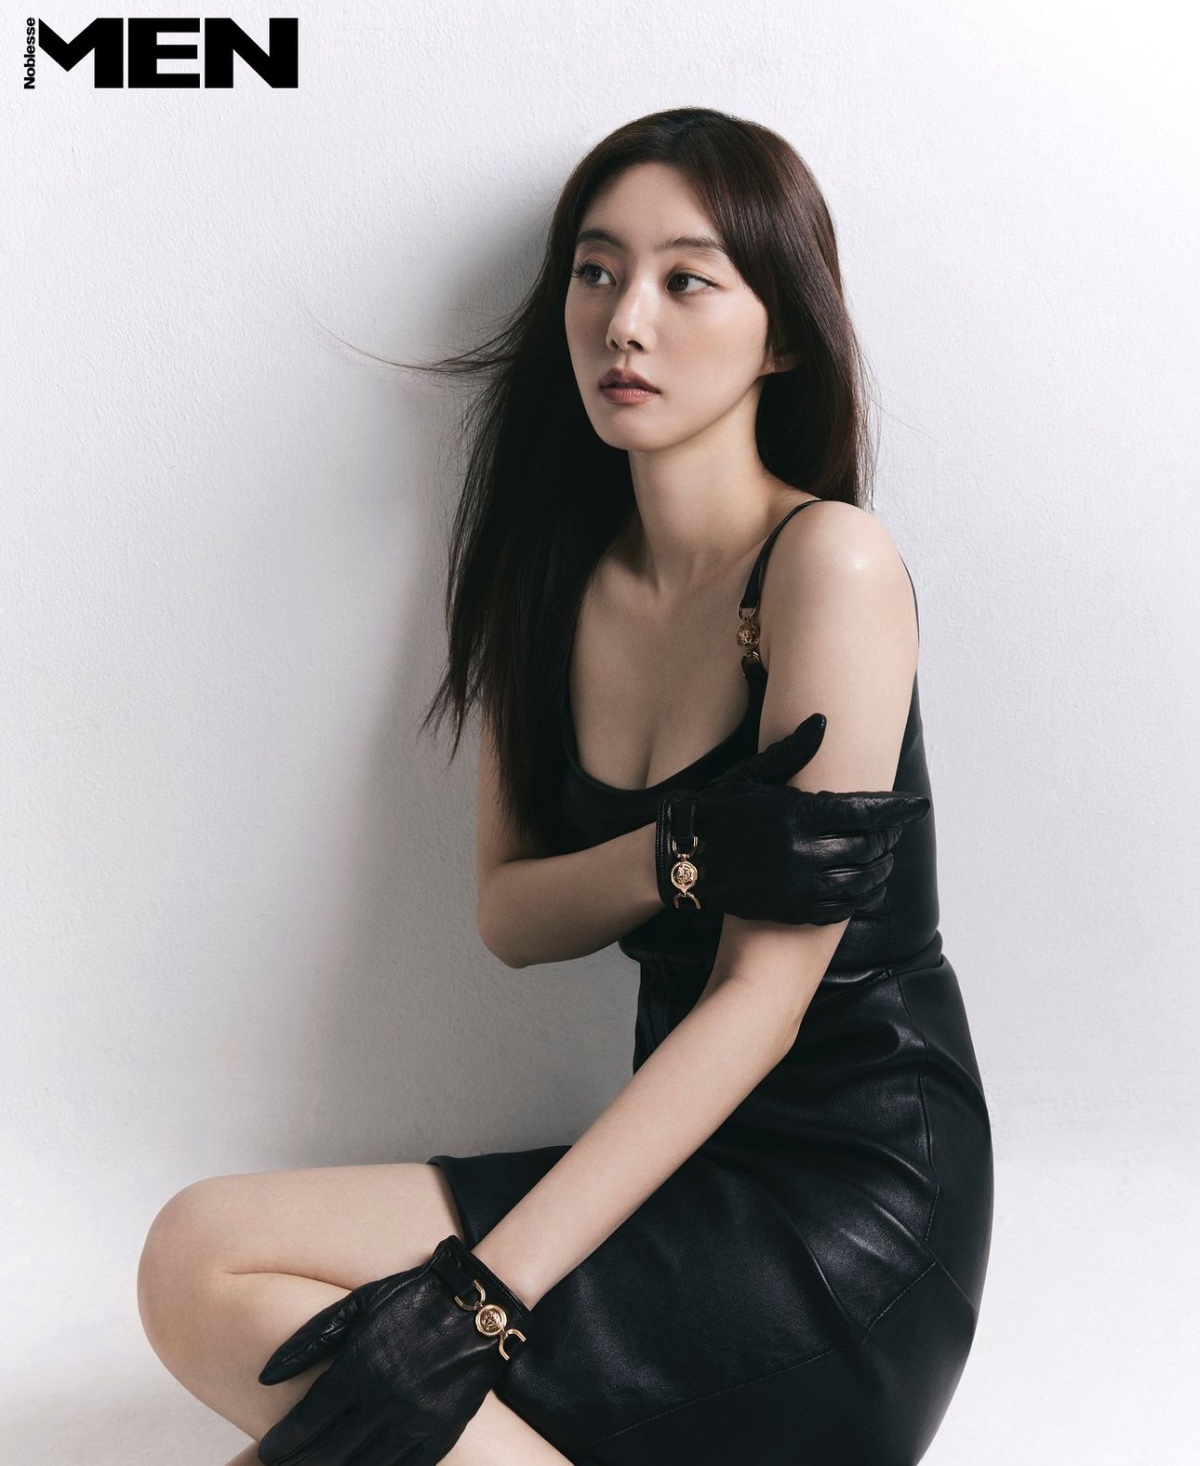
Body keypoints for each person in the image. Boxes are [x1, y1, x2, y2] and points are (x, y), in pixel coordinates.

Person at [137, 107, 993, 1465]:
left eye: (686, 279)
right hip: (670, 1173)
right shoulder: (549, 582)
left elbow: (762, 1003)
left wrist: (481, 1300)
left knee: (342, 1375)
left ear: (782, 334)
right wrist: (675, 854)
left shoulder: (829, 565)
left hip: (854, 1217)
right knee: (196, 1256)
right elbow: (514, 915)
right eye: (596, 272)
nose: (623, 322)